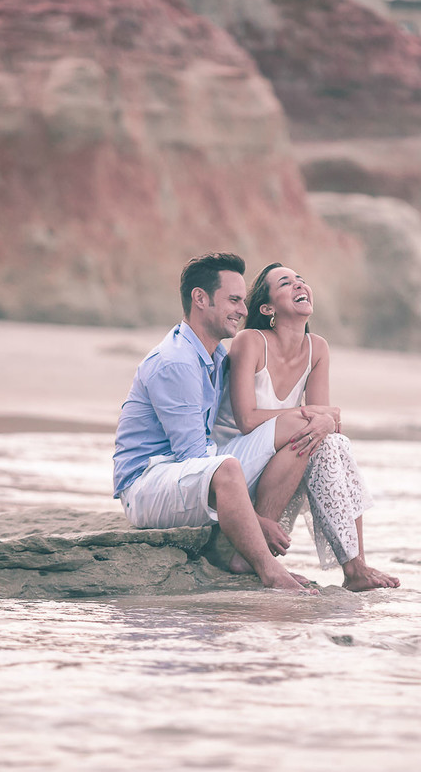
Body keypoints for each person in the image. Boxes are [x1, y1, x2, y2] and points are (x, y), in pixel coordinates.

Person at [112, 253, 319, 593]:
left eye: (242, 300)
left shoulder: (215, 356)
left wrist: (320, 418)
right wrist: (257, 521)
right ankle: (269, 571)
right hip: (146, 484)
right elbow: (194, 457)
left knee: (299, 428)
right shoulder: (176, 362)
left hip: (182, 474)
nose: (242, 309)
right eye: (234, 300)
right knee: (225, 468)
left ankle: (247, 554)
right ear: (200, 299)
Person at [213, 262, 400, 592]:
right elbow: (245, 421)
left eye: (301, 280)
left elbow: (324, 425)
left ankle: (355, 566)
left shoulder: (318, 348)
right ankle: (249, 550)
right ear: (267, 307)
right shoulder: (250, 341)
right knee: (311, 431)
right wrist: (321, 417)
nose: (299, 285)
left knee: (332, 444)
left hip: (279, 462)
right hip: (231, 464)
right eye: (286, 283)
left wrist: (325, 420)